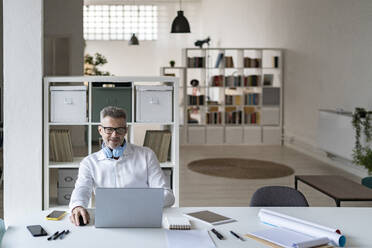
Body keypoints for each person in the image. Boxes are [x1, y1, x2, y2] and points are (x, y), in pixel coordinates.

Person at [69, 106, 175, 226]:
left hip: (142, 219)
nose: (114, 135)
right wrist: (77, 206)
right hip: (107, 222)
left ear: (126, 130)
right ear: (100, 130)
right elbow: (82, 189)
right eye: (109, 129)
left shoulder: (146, 155)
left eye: (119, 129)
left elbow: (168, 195)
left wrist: (138, 202)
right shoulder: (89, 162)